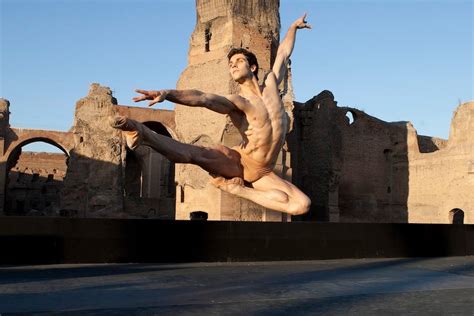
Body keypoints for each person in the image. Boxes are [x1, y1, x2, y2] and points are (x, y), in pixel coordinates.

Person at [110, 14, 312, 215]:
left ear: (252, 67)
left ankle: (237, 190)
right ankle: (143, 133)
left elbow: (284, 53)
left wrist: (293, 28)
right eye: (230, 63)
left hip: (265, 172)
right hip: (241, 163)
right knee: (195, 154)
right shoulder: (238, 102)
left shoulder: (271, 85)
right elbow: (203, 98)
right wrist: (167, 94)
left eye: (238, 61)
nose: (232, 64)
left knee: (301, 205)